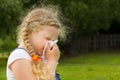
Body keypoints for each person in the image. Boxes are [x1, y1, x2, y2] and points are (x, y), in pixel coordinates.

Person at [7, 6, 68, 80]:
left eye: (53, 41)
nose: (50, 44)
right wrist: (52, 62)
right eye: (47, 38)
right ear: (30, 32)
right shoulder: (19, 56)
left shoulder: (40, 58)